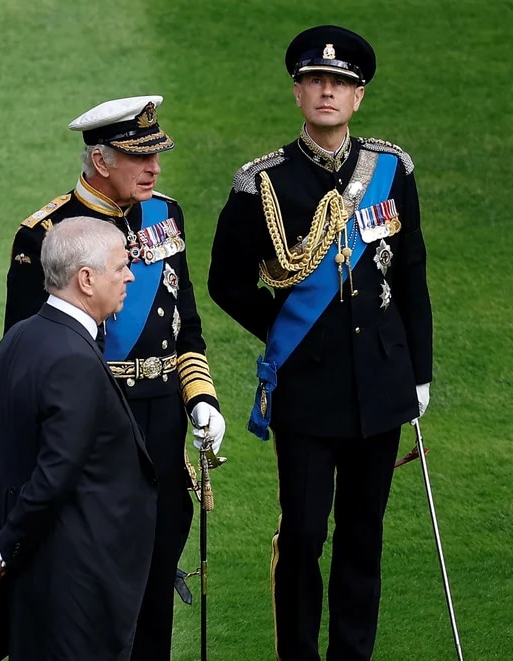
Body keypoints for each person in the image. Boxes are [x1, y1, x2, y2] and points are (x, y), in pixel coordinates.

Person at [0, 96, 226, 661]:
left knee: (156, 570)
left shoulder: (166, 215)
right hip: (90, 432)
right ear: (100, 160)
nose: (154, 169)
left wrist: (201, 397)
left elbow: (184, 320)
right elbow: (26, 358)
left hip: (161, 424)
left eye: (156, 157)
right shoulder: (44, 234)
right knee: (66, 587)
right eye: (138, 159)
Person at [207, 25, 433, 660]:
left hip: (382, 385)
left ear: (357, 98)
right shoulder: (263, 182)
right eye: (315, 81)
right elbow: (226, 282)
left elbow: (411, 272)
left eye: (340, 83)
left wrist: (420, 371)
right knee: (304, 533)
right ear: (298, 93)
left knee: (364, 535)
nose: (327, 91)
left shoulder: (393, 170)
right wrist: (288, 332)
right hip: (307, 392)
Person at [0, 216, 158, 660]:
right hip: (78, 576)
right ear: (86, 279)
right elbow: (56, 473)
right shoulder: (74, 356)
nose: (130, 274)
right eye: (120, 267)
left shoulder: (19, 337)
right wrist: (1, 546)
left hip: (39, 572)